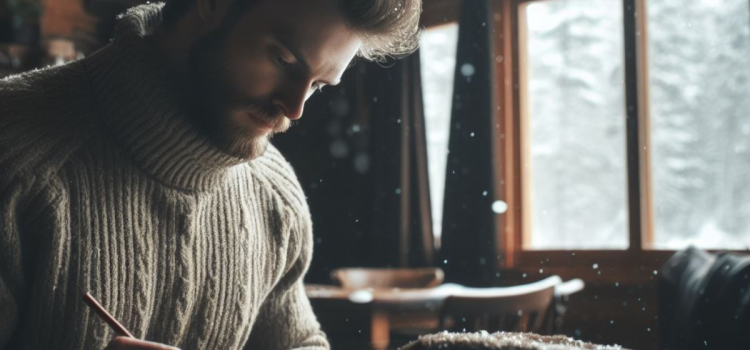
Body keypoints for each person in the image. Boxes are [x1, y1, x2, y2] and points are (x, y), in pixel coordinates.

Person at [0, 0, 421, 349]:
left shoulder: (275, 196)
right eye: (284, 60)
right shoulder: (15, 152)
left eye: (318, 85)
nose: (295, 108)